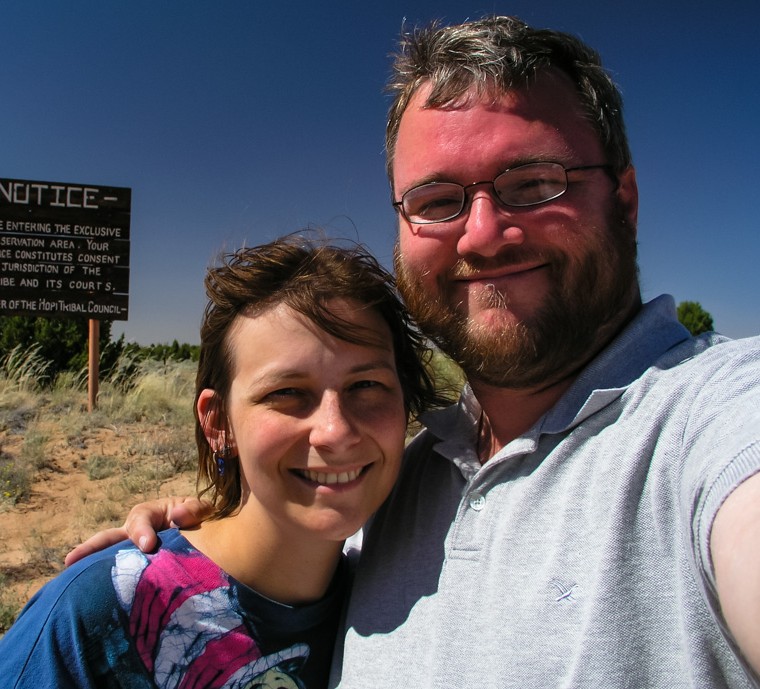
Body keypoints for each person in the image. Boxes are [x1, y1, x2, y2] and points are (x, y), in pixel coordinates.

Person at [67, 15, 760, 688]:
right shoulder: (393, 482)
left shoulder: (717, 422)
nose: (483, 234)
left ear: (625, 201)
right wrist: (193, 548)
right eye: (437, 200)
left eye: (536, 183)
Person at [0, 236, 443, 688]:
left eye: (367, 385)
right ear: (218, 424)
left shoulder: (401, 594)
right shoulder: (100, 613)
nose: (336, 430)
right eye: (286, 393)